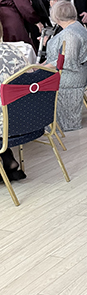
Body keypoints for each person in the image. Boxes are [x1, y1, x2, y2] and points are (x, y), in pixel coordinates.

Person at [44, 0, 87, 131]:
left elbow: (67, 60)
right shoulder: (76, 26)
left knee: (29, 82)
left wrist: (43, 67)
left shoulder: (70, 33)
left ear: (56, 17)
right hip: (73, 72)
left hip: (70, 76)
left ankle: (36, 121)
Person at [0, 20, 29, 182]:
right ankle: (7, 159)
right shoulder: (16, 51)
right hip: (26, 118)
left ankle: (7, 160)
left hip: (5, 123)